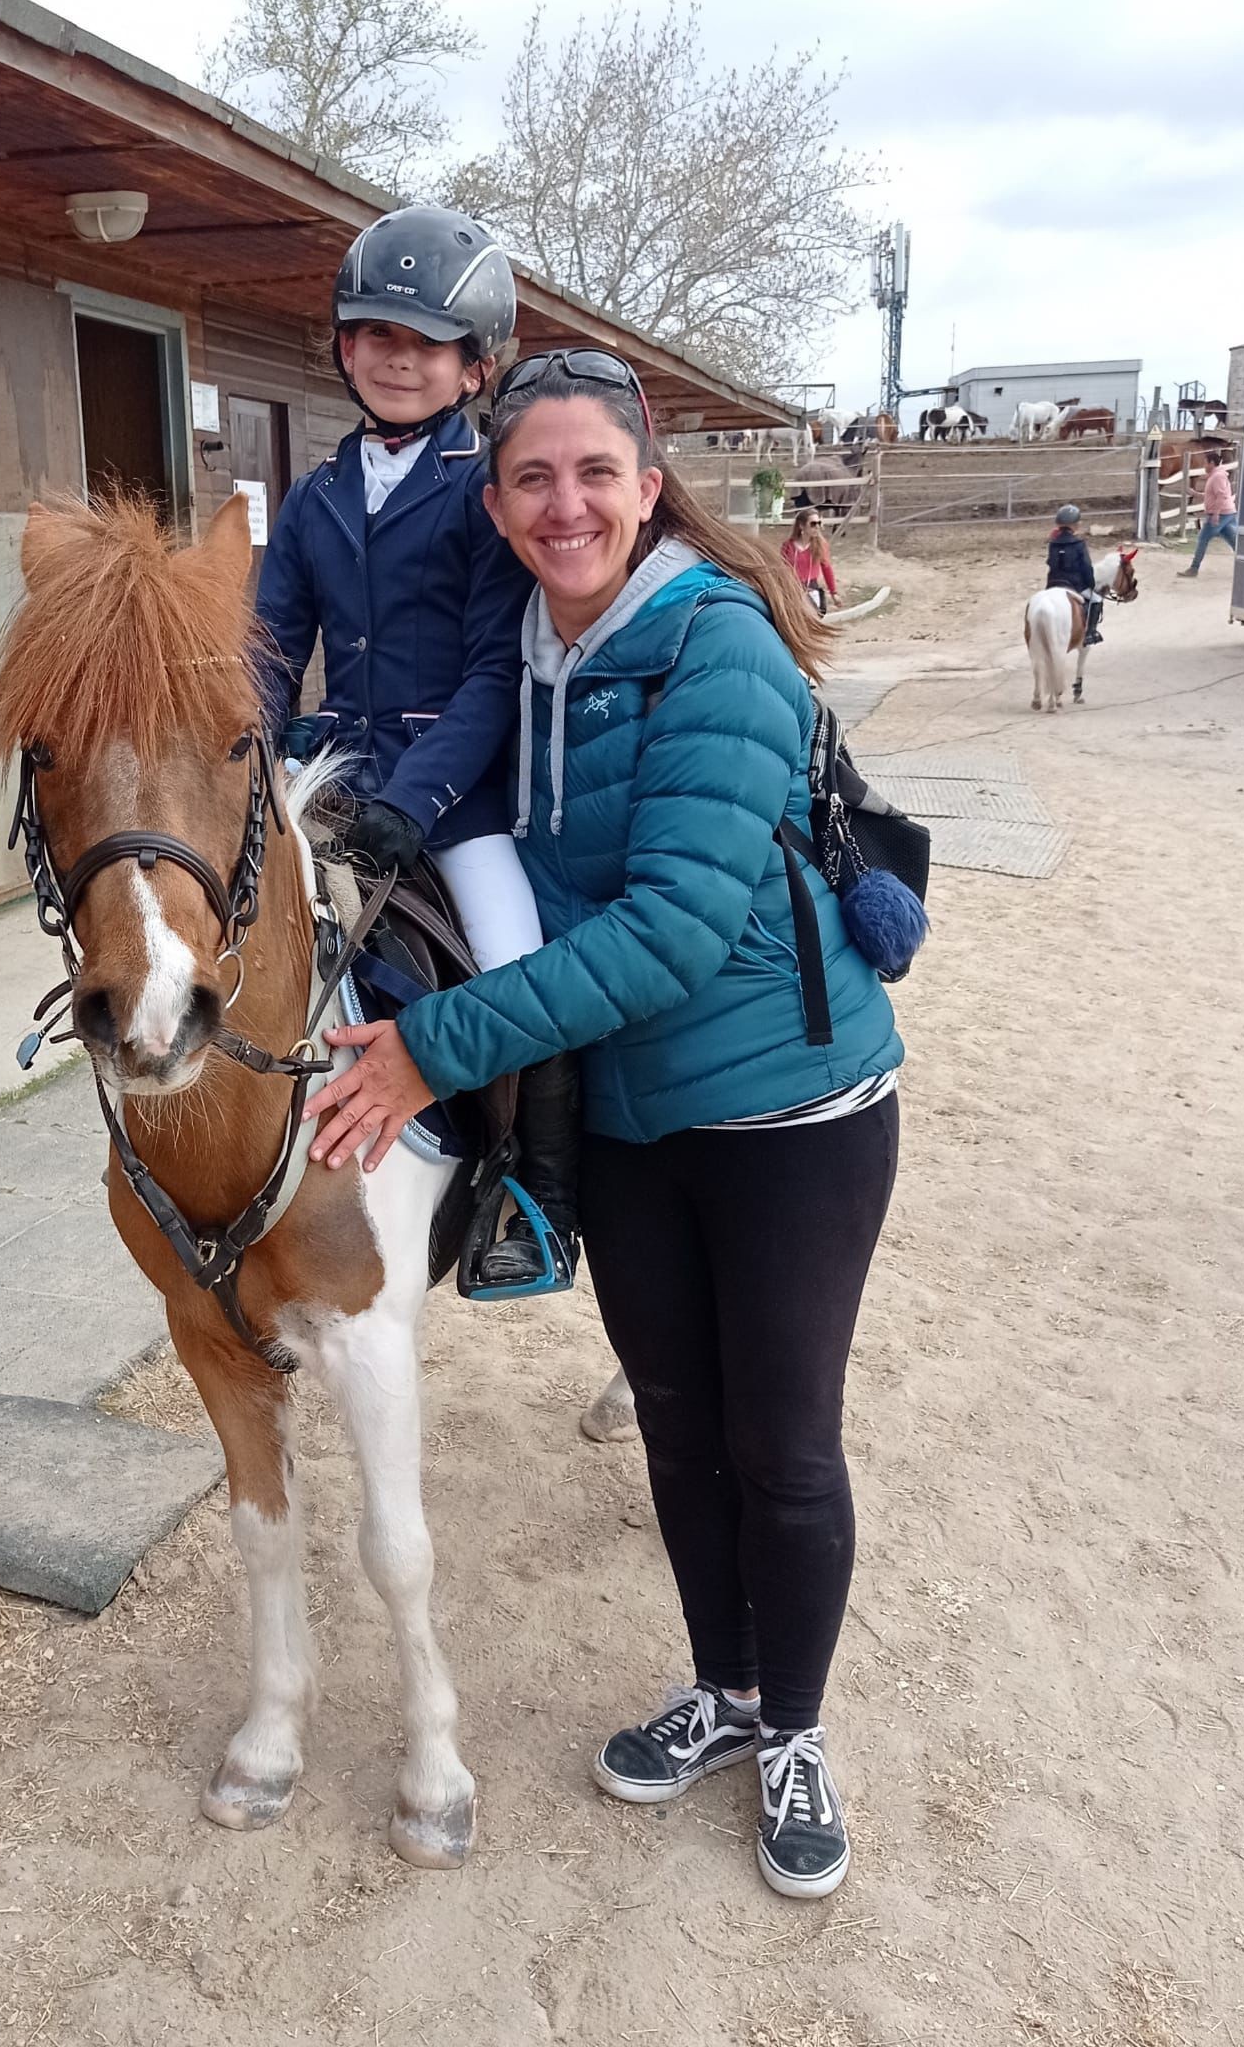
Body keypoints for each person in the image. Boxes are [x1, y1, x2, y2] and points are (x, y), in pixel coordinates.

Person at [298, 349, 904, 1900]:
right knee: (682, 1430)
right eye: (531, 480)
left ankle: (797, 1730)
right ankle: (723, 1686)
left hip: (786, 1106)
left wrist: (431, 1050)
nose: (564, 505)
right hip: (633, 1112)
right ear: (496, 506)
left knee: (779, 1445)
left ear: (646, 485)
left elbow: (674, 934)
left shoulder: (720, 649)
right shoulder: (529, 645)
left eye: (592, 475)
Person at [253, 204, 578, 1295]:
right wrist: (250, 766)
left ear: (473, 366)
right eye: (375, 336)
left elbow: (494, 671)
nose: (396, 360)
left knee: (519, 968)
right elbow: (267, 649)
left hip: (454, 793)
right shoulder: (312, 500)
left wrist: (419, 794)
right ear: (343, 348)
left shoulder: (482, 494)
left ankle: (527, 1199)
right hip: (333, 782)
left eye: (424, 343)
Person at [1046, 504, 1102, 648]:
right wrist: (1091, 584)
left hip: (1053, 583)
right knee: (1096, 599)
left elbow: (1051, 563)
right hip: (1074, 585)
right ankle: (1090, 633)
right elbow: (1086, 567)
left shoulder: (1053, 544)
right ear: (1074, 524)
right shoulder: (1078, 543)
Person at [1176, 451, 1238, 576]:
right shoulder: (1217, 475)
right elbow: (1214, 496)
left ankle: (1194, 568)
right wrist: (1196, 494)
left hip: (1221, 514)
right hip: (1227, 512)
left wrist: (1215, 514)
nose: (1203, 465)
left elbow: (1221, 496)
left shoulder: (1217, 477)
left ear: (1211, 463)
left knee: (1202, 539)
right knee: (1234, 541)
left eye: (1205, 463)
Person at [780, 508, 838, 615]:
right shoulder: (788, 546)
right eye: (813, 524)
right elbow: (781, 569)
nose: (817, 527)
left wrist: (833, 592)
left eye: (819, 523)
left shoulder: (821, 545)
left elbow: (827, 568)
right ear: (802, 526)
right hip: (792, 588)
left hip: (812, 589)